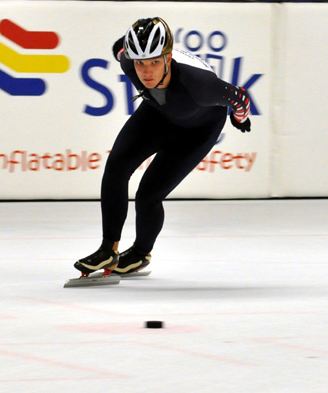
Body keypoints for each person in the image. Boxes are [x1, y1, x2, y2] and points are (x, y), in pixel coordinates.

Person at [74, 17, 252, 277]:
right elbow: (121, 50)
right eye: (141, 63)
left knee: (148, 195)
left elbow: (239, 97)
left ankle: (139, 253)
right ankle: (108, 249)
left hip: (198, 129)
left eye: (155, 62)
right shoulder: (128, 62)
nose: (146, 72)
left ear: (168, 58)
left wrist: (240, 118)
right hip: (158, 114)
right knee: (116, 169)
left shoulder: (199, 84)